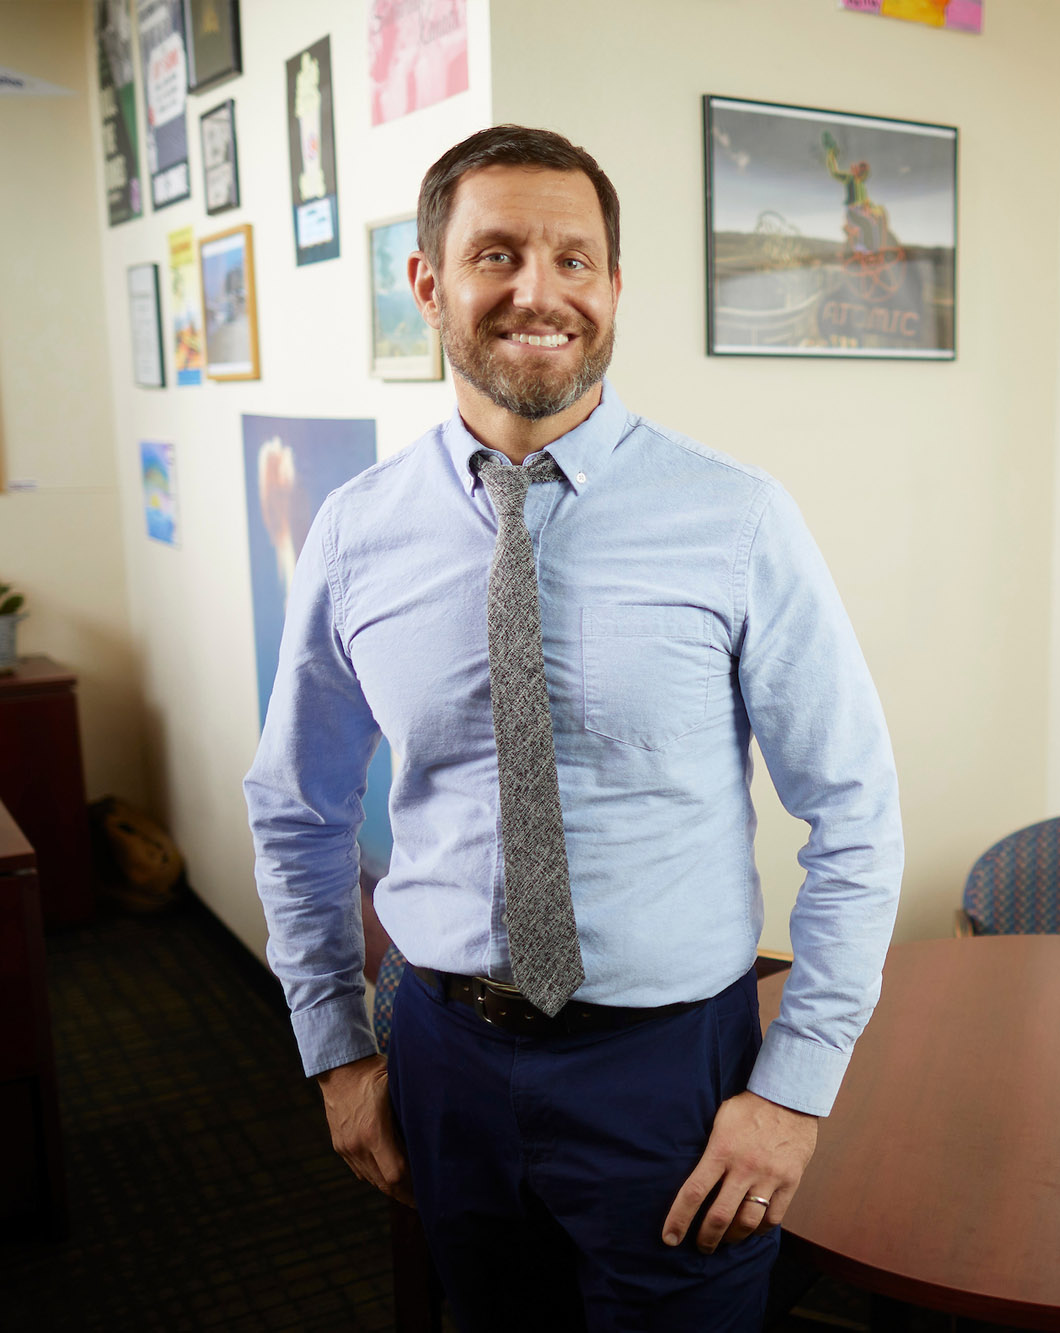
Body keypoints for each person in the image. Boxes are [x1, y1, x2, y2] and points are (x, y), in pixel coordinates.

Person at [243, 125, 903, 1331]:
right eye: (496, 254)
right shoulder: (355, 533)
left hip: (671, 1072)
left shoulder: (737, 520)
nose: (538, 292)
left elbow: (854, 811)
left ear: (613, 286)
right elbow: (296, 808)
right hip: (442, 1052)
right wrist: (335, 1051)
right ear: (429, 284)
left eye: (574, 259)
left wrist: (795, 1091)